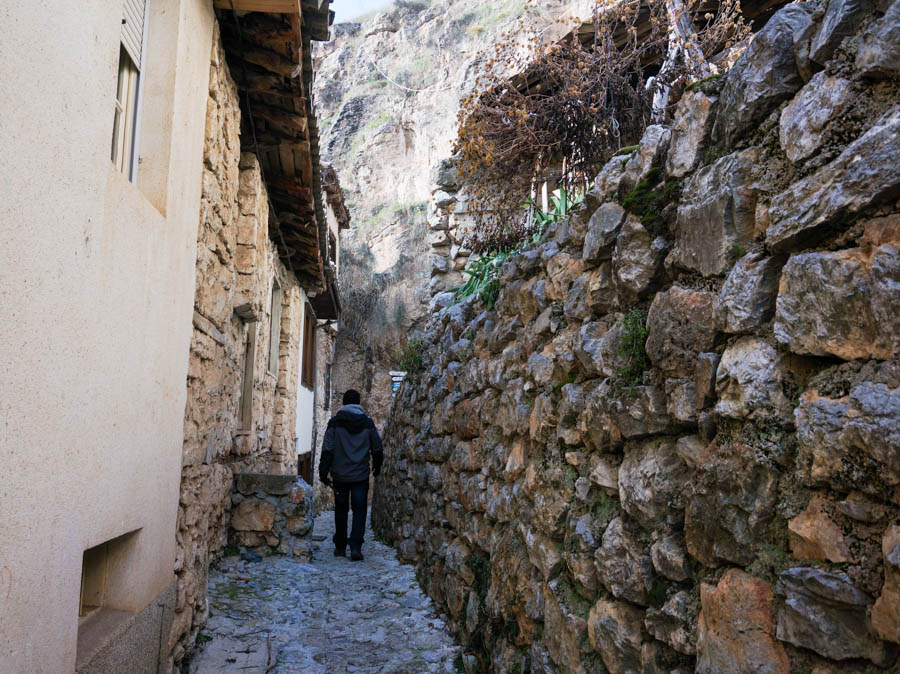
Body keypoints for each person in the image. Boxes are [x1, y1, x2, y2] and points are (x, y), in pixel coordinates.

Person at [318, 389, 383, 561]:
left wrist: (323, 472)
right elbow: (377, 447)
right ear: (359, 403)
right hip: (360, 476)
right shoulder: (368, 423)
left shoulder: (334, 423)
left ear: (344, 403)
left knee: (341, 511)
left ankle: (340, 546)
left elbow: (327, 449)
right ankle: (355, 547)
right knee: (359, 511)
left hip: (339, 475)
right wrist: (377, 467)